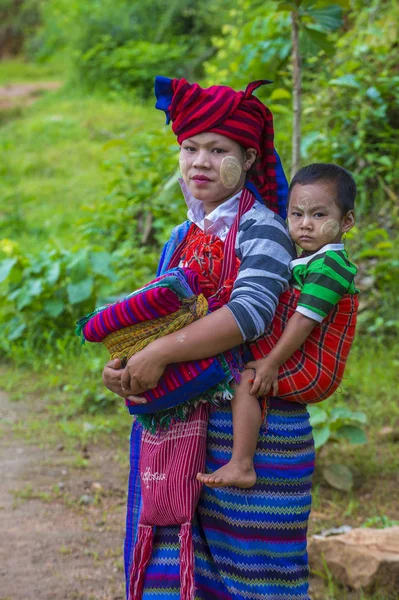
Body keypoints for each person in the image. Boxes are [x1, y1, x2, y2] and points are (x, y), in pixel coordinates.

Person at [103, 76, 314, 600]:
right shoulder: (183, 236)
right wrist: (126, 361)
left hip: (258, 432)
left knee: (257, 577)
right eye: (189, 147)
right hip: (182, 428)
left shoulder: (263, 229)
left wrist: (156, 354)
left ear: (247, 159)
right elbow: (156, 317)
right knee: (181, 575)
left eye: (217, 150)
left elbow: (250, 315)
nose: (199, 161)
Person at [197, 163, 358, 489]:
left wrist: (271, 364)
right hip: (299, 357)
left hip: (314, 368)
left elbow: (303, 319)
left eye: (319, 215)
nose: (305, 225)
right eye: (296, 215)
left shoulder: (331, 264)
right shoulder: (310, 260)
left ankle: (241, 464)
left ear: (347, 222)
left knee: (246, 381)